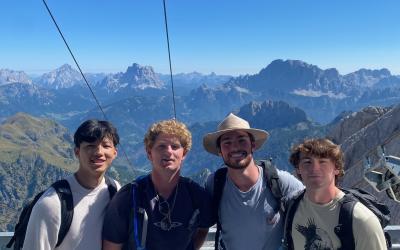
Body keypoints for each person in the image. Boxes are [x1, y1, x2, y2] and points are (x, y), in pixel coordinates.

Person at [103, 119, 214, 250]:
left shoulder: (197, 195)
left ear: (184, 153)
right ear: (150, 153)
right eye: (161, 146)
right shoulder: (129, 196)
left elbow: (203, 228)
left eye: (175, 146)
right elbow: (111, 246)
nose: (168, 151)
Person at [203, 113, 304, 250]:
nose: (235, 147)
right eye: (227, 143)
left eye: (241, 140)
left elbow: (312, 205)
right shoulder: (214, 183)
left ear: (253, 145)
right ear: (220, 151)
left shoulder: (279, 182)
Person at [22, 119, 120, 250]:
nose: (99, 152)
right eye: (90, 146)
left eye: (106, 146)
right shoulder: (52, 204)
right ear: (77, 152)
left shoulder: (115, 191)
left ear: (115, 153)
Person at [285, 138, 387, 249]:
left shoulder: (362, 221)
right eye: (307, 162)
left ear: (336, 168)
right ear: (298, 169)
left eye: (322, 161)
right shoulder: (292, 209)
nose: (314, 168)